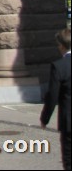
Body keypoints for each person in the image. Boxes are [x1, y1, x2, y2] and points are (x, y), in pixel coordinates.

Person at [40, 27, 71, 170]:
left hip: (69, 122)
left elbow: (52, 96)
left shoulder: (59, 66)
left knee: (69, 159)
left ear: (62, 46)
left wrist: (45, 118)